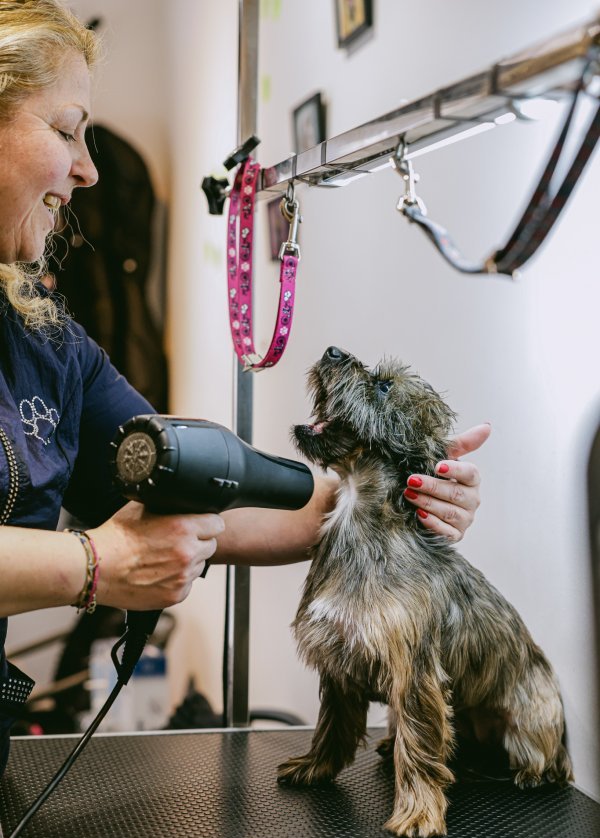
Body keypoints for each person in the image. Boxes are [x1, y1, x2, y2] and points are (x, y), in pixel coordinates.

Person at [0, 0, 490, 775]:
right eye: (65, 130)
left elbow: (190, 492)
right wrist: (93, 566)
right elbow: (111, 552)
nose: (90, 167)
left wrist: (381, 498)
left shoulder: (43, 336)